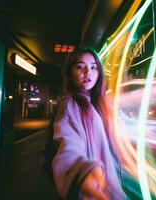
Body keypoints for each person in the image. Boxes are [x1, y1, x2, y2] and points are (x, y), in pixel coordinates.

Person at [51, 47, 126, 200]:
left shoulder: (98, 105)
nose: (88, 72)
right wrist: (82, 172)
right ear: (70, 74)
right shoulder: (70, 104)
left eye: (93, 67)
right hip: (94, 190)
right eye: (80, 67)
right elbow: (68, 143)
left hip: (108, 188)